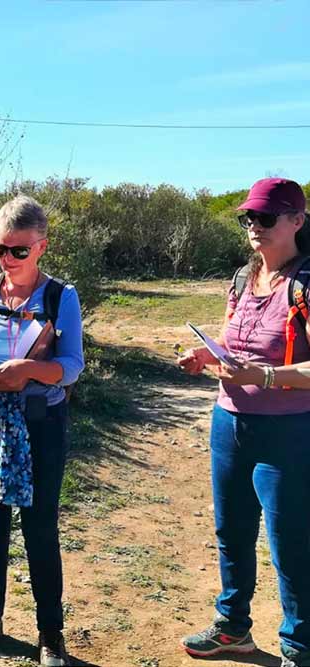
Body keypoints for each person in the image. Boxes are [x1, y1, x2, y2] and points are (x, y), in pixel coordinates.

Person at [178, 178, 310, 667]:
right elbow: (238, 349)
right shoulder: (241, 278)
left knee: (291, 543)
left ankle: (300, 647)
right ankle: (233, 628)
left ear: (297, 220)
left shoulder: (306, 283)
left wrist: (265, 375)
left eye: (267, 217)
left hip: (288, 434)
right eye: (249, 218)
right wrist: (206, 356)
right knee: (232, 533)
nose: (255, 226)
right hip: (229, 422)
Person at [0, 195, 84, 667]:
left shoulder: (59, 297)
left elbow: (70, 368)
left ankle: (51, 634)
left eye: (18, 250)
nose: (7, 259)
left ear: (41, 246)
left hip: (39, 426)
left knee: (40, 529)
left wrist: (28, 369)